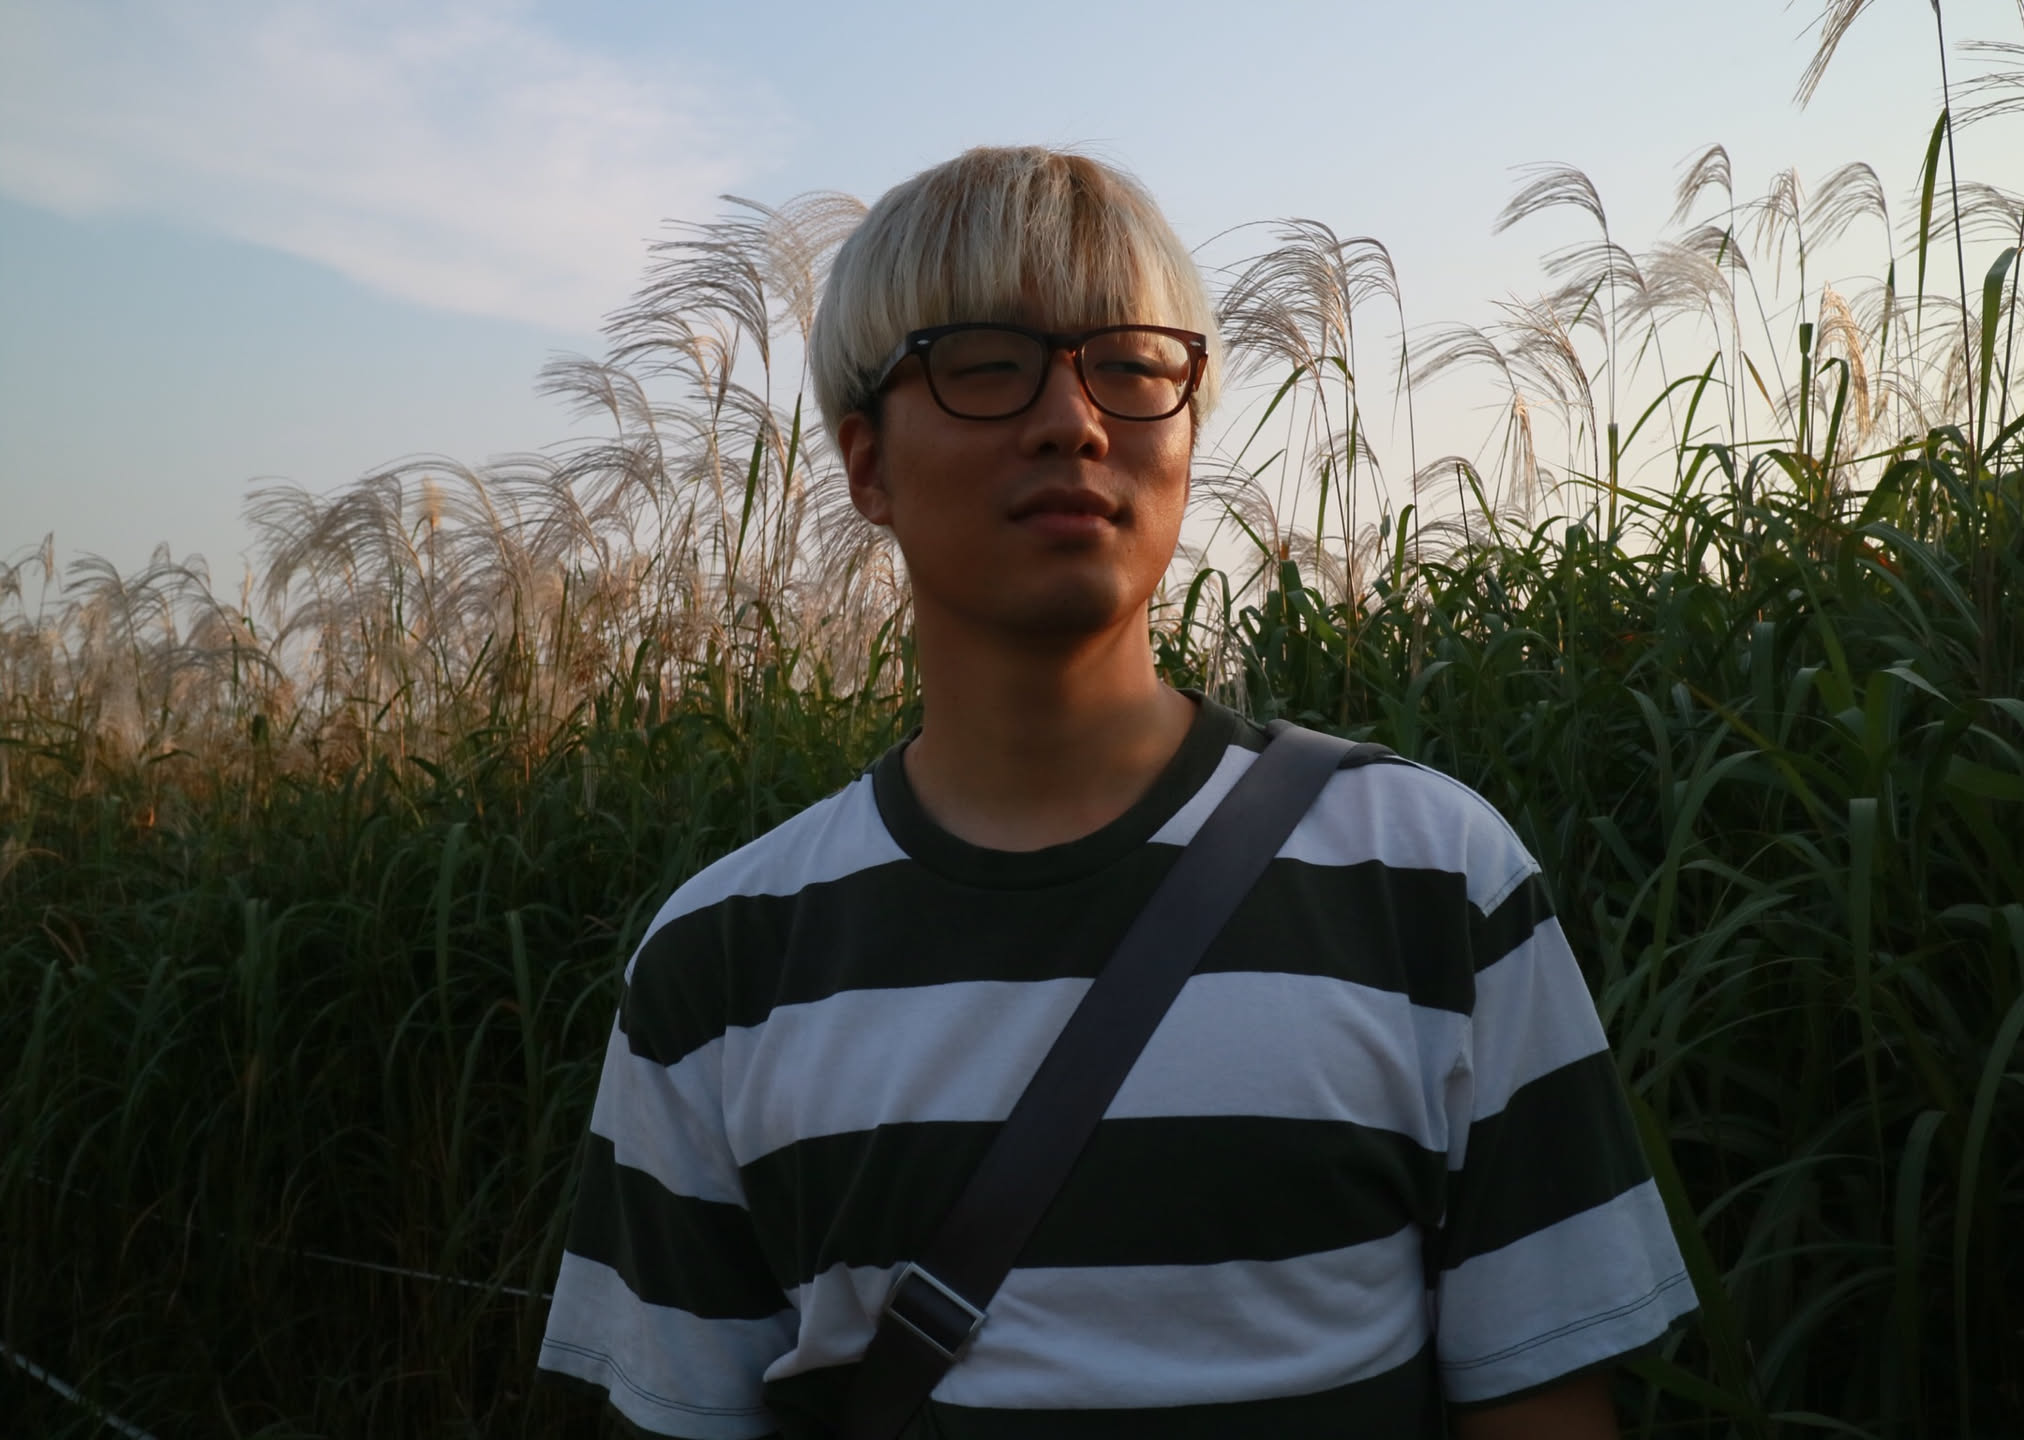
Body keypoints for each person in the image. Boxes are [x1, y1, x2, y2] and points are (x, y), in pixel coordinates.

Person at [537, 146, 1696, 1439]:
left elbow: (1544, 1404)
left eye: (1134, 368)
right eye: (985, 363)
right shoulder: (719, 961)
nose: (1074, 421)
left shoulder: (1429, 875)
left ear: (1187, 432)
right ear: (867, 465)